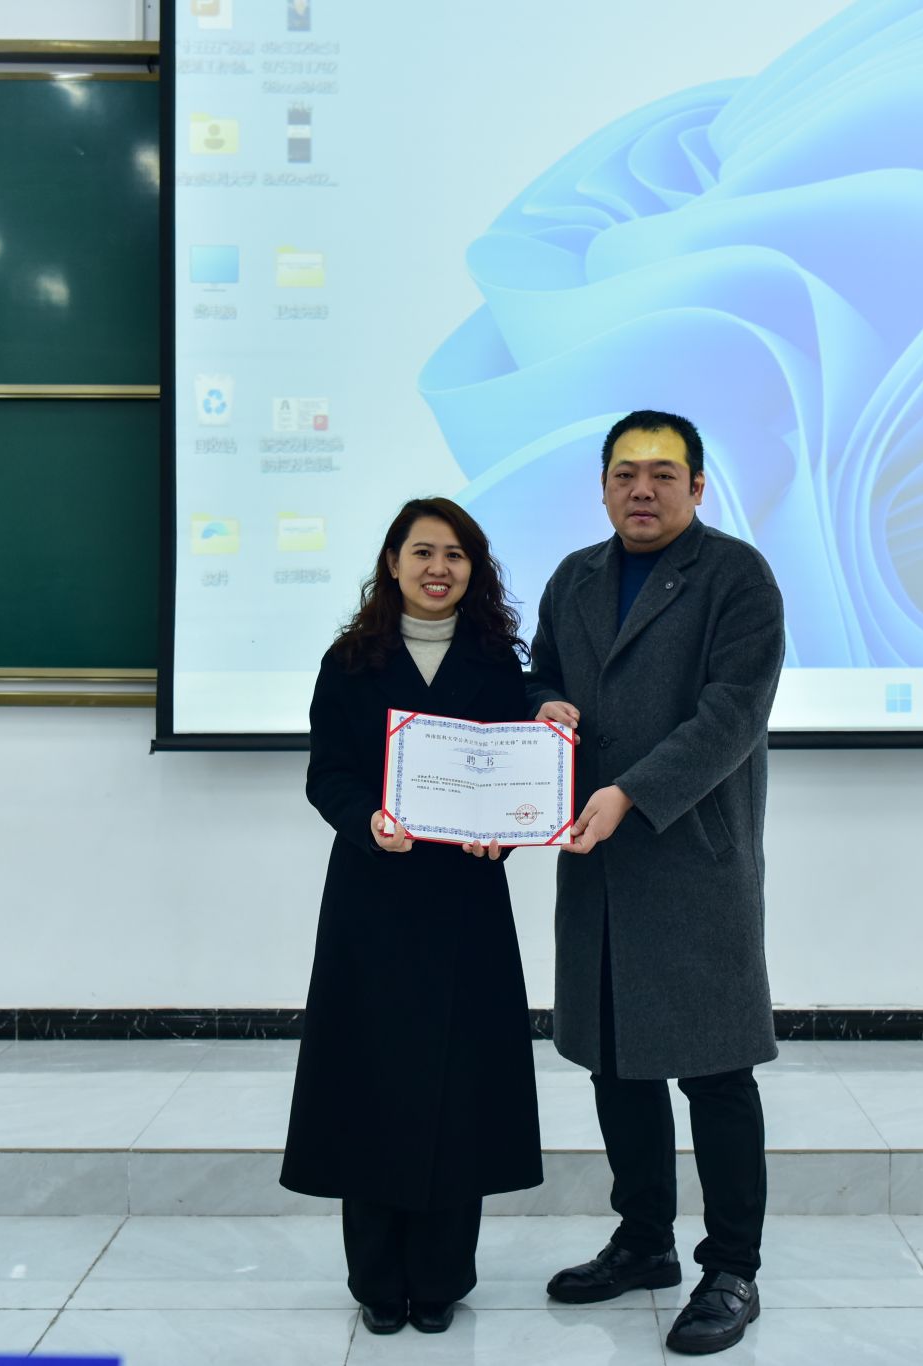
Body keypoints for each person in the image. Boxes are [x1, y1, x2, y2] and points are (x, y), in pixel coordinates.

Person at [527, 411, 785, 1356]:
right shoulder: (575, 577)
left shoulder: (737, 577)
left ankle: (733, 1268)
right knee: (615, 1062)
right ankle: (643, 1242)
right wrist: (541, 707)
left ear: (698, 487)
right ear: (603, 487)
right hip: (596, 861)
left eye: (664, 473)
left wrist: (633, 793)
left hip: (693, 858)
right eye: (626, 473)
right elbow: (540, 673)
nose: (643, 489)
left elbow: (733, 715)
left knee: (715, 1071)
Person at [281, 497, 543, 1336]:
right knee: (370, 1084)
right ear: (392, 563)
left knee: (460, 1091)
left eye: (456, 554)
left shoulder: (499, 665)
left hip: (467, 902)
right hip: (373, 900)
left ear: (475, 570)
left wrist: (505, 835)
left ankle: (440, 1279)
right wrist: (367, 821)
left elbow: (521, 778)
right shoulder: (350, 661)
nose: (439, 568)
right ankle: (376, 1281)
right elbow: (328, 773)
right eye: (423, 551)